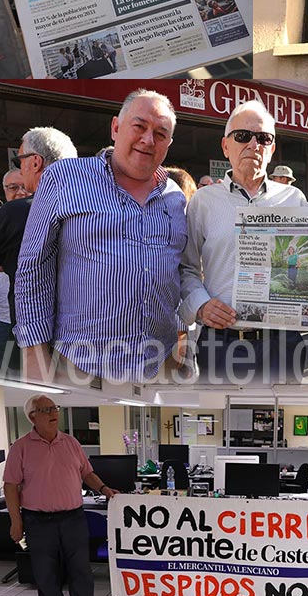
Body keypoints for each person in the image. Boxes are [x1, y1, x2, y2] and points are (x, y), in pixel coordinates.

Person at [13, 89, 186, 383]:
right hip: (82, 366)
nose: (148, 140)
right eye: (139, 126)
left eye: (160, 133)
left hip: (161, 364)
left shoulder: (175, 197)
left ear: (168, 143)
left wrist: (181, 341)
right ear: (116, 127)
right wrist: (33, 354)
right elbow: (33, 266)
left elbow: (177, 270)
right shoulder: (65, 178)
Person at [179, 99, 308, 380]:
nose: (253, 145)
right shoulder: (204, 201)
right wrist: (201, 304)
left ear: (272, 150)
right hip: (222, 342)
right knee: (220, 420)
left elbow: (304, 269)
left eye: (263, 138)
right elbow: (186, 268)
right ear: (225, 146)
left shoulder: (293, 198)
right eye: (243, 136)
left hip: (282, 343)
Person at [3, 395, 119, 596]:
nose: (53, 413)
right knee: (46, 573)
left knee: (80, 568)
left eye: (54, 408)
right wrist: (16, 521)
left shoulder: (71, 443)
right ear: (32, 417)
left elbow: (87, 472)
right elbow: (11, 486)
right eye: (45, 410)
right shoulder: (21, 447)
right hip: (38, 521)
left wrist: (104, 489)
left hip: (74, 518)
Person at [0, 128, 77, 334]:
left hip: (34, 330)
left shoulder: (14, 212)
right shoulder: (94, 207)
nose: (20, 169)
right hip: (89, 329)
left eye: (19, 162)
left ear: (35, 162)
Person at [0, 168, 27, 367]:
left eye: (24, 187)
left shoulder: (44, 216)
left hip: (35, 316)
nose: (20, 192)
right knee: (1, 377)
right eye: (13, 188)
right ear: (4, 190)